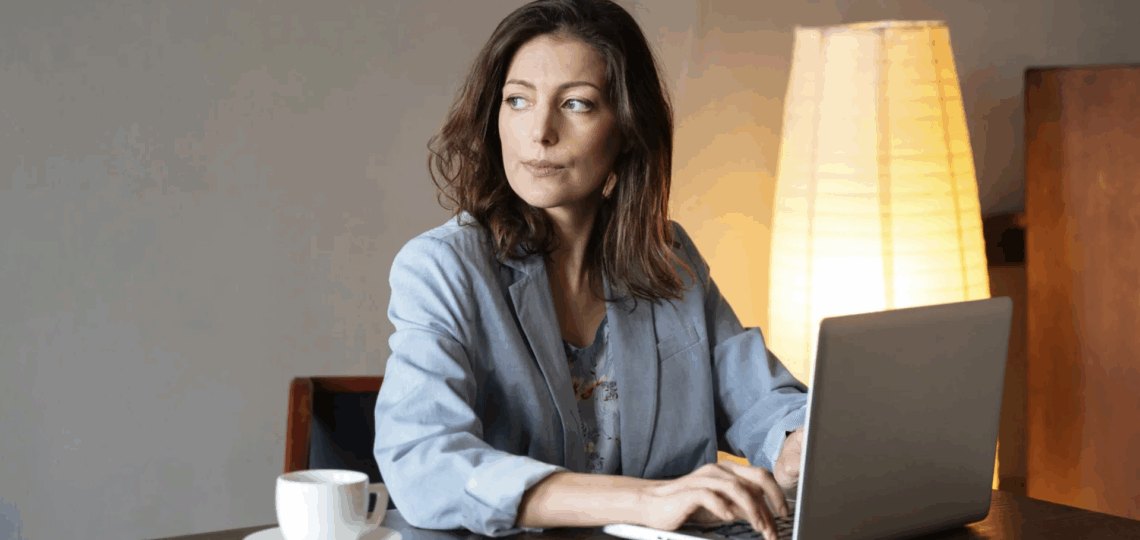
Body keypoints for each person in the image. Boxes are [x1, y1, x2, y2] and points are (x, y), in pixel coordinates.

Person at [373, 1, 808, 539]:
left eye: (576, 103)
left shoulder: (667, 257)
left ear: (625, 127)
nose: (540, 131)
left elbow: (762, 399)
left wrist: (797, 446)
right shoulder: (441, 268)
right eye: (517, 101)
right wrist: (645, 501)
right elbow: (424, 463)